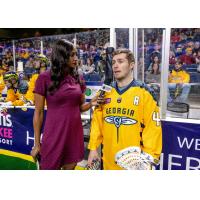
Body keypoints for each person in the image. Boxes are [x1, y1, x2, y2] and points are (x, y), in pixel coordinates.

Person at [87, 49, 162, 170]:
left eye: (121, 61)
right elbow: (97, 123)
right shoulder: (104, 92)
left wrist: (149, 159)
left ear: (131, 65)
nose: (116, 65)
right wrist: (93, 148)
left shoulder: (145, 92)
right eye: (114, 62)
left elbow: (153, 129)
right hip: (108, 161)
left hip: (135, 164)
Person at [30, 40, 97, 170]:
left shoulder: (79, 78)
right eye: (72, 55)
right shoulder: (44, 78)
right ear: (61, 56)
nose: (76, 58)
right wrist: (37, 144)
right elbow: (38, 113)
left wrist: (91, 103)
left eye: (76, 54)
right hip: (54, 134)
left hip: (74, 135)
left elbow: (78, 108)